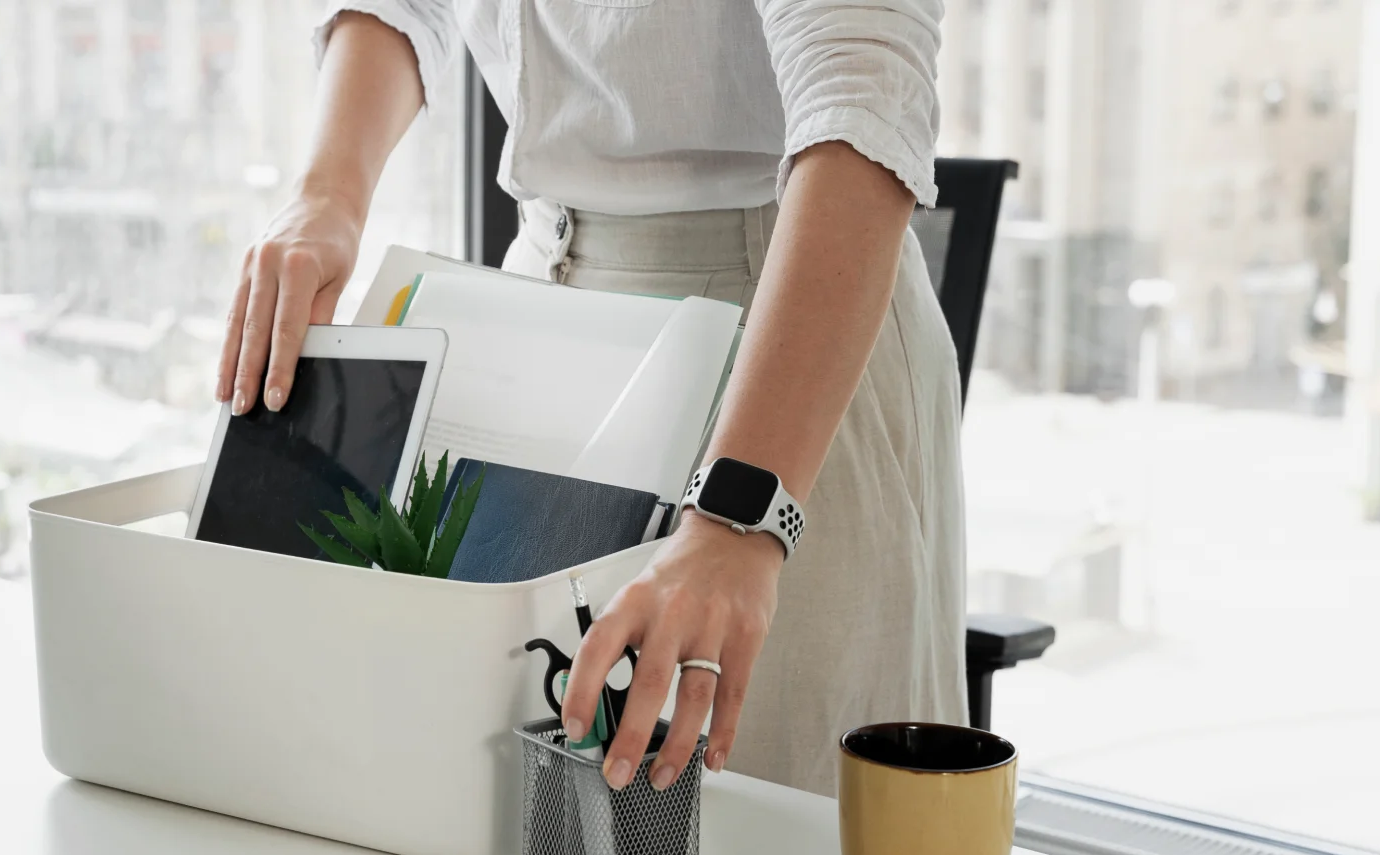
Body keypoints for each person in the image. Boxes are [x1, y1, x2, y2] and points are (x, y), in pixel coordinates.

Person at [216, 0, 962, 798]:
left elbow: (863, 107)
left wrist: (742, 513)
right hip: (540, 300)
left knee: (772, 844)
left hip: (778, 346)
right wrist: (327, 194)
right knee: (517, 828)